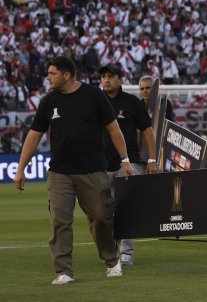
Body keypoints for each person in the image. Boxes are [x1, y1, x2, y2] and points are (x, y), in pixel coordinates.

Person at [13, 56, 135, 285]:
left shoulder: (94, 95)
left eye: (52, 73)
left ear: (66, 75)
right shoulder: (48, 101)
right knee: (60, 220)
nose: (48, 77)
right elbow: (34, 135)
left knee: (101, 217)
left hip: (93, 170)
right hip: (59, 172)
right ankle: (64, 270)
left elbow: (113, 128)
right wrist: (21, 168)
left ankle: (111, 260)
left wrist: (125, 160)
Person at [100, 64, 156, 266]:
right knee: (102, 211)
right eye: (103, 76)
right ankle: (110, 248)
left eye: (110, 76)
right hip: (100, 164)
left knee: (126, 208)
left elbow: (148, 131)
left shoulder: (132, 102)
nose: (106, 80)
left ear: (119, 79)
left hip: (128, 164)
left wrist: (151, 159)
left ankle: (126, 253)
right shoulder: (96, 102)